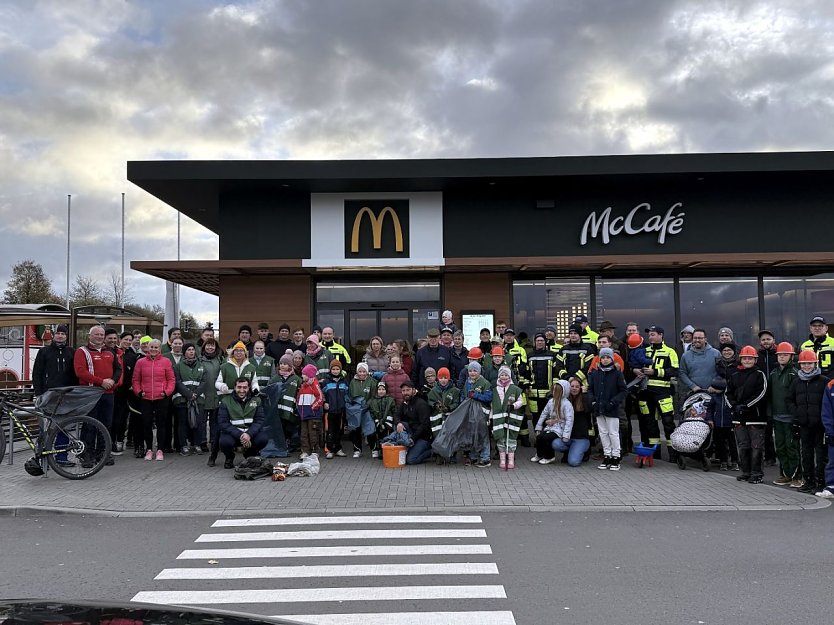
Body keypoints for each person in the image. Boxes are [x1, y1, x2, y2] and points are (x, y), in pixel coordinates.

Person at [73, 325, 121, 466]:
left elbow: (118, 370)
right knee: (89, 425)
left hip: (108, 393)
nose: (99, 337)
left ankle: (103, 453)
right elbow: (80, 372)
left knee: (106, 425)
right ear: (90, 336)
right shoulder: (82, 351)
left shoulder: (110, 352)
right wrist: (101, 382)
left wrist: (112, 381)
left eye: (101, 335)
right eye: (97, 334)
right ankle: (86, 454)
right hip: (90, 393)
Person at [787, 350, 829, 493]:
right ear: (800, 365)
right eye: (804, 364)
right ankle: (808, 481)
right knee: (806, 454)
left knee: (821, 455)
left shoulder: (824, 381)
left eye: (809, 363)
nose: (806, 366)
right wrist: (797, 413)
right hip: (803, 424)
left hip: (820, 425)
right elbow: (790, 400)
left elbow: (829, 402)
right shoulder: (796, 382)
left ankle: (821, 482)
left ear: (815, 363)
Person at [726, 345, 768, 484]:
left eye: (750, 358)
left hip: (755, 418)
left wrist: (747, 406)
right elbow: (728, 393)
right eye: (745, 358)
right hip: (738, 418)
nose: (747, 361)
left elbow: (761, 393)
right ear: (741, 359)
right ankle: (746, 472)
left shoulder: (759, 374)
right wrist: (734, 406)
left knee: (756, 447)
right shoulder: (734, 375)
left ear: (755, 360)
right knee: (743, 446)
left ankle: (756, 473)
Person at [637, 325, 679, 461]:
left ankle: (673, 455)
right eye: (649, 335)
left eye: (653, 334)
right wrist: (636, 370)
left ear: (661, 335)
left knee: (668, 423)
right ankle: (655, 455)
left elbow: (674, 371)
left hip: (663, 392)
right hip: (646, 393)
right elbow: (635, 365)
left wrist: (655, 372)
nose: (651, 337)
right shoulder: (644, 351)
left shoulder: (670, 352)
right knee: (649, 423)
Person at [132, 339, 175, 461]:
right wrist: (139, 392)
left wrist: (167, 392)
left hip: (161, 397)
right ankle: (149, 449)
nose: (154, 349)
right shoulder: (140, 362)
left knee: (162, 425)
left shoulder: (166, 362)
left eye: (156, 347)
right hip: (145, 398)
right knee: (147, 424)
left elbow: (171, 379)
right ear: (147, 348)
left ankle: (160, 450)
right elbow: (135, 380)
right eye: (151, 347)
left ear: (160, 349)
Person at [588, 347, 628, 470]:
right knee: (603, 433)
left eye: (607, 357)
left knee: (613, 433)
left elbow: (623, 391)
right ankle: (607, 456)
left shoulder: (617, 373)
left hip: (612, 409)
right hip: (599, 409)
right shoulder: (595, 373)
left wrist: (613, 402)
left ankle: (616, 457)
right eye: (603, 357)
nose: (605, 360)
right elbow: (590, 389)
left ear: (612, 358)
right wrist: (593, 401)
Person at [217, 377, 267, 469]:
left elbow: (259, 420)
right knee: (224, 442)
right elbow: (223, 423)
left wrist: (249, 434)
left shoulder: (257, 400)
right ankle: (229, 457)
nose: (242, 390)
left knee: (263, 439)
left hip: (250, 433)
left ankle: (249, 454)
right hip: (234, 434)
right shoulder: (226, 401)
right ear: (235, 387)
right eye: (239, 387)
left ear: (249, 388)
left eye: (245, 387)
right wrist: (240, 435)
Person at [769, 342, 799, 485]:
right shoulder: (773, 373)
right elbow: (769, 395)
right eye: (780, 355)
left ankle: (796, 476)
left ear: (791, 356)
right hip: (776, 416)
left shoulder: (795, 373)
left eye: (785, 355)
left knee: (791, 447)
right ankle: (785, 474)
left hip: (790, 417)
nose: (782, 357)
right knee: (780, 447)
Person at [172, 343, 207, 456]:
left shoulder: (202, 366)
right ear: (184, 353)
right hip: (182, 400)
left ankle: (197, 444)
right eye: (188, 350)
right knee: (182, 423)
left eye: (193, 350)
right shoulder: (178, 366)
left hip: (198, 400)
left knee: (198, 423)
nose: (191, 352)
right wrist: (188, 394)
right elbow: (177, 382)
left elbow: (204, 382)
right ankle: (183, 445)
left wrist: (195, 394)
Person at [525, 333, 556, 448]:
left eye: (542, 340)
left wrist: (554, 389)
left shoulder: (552, 355)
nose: (540, 342)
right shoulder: (530, 356)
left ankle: (547, 440)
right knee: (536, 417)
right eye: (538, 340)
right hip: (533, 393)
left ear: (545, 342)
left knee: (548, 417)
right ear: (535, 342)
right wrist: (527, 385)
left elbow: (555, 373)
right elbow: (527, 373)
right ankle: (538, 438)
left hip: (548, 394)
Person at [532, 380, 573, 464]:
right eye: (553, 390)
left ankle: (549, 456)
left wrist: (566, 435)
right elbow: (544, 413)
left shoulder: (566, 404)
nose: (554, 392)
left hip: (560, 428)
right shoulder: (551, 401)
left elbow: (569, 420)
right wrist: (539, 426)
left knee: (548, 438)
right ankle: (539, 454)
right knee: (540, 437)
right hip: (551, 427)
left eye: (556, 390)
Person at [492, 365, 524, 469]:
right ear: (499, 376)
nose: (504, 377)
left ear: (509, 376)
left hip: (511, 419)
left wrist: (514, 405)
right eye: (502, 375)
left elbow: (521, 401)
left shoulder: (515, 389)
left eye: (506, 375)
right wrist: (490, 417)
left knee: (510, 438)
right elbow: (492, 405)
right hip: (499, 420)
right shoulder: (495, 390)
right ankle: (502, 460)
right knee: (501, 439)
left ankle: (510, 460)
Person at [462, 361, 493, 467]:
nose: (472, 373)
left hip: (481, 413)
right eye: (470, 371)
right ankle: (474, 456)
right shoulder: (467, 382)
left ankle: (485, 457)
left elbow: (489, 397)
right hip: (469, 413)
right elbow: (463, 394)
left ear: (479, 371)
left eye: (475, 371)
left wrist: (476, 395)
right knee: (472, 434)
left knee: (482, 435)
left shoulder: (485, 383)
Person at [32, 323, 77, 397]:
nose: (60, 336)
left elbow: (76, 373)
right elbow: (37, 373)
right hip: (48, 392)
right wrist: (38, 393)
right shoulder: (44, 352)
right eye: (57, 333)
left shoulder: (72, 352)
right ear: (53, 335)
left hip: (69, 392)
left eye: (63, 334)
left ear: (66, 336)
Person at [394, 380, 433, 465]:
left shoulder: (421, 404)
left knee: (411, 460)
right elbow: (396, 415)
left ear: (414, 390)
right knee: (401, 425)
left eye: (408, 390)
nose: (405, 393)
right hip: (412, 432)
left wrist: (413, 439)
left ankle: (432, 452)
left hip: (423, 437)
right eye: (403, 391)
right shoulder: (405, 403)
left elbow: (424, 426)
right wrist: (398, 423)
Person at [705, 376, 739, 471]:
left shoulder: (730, 397)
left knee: (732, 444)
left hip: (729, 424)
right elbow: (710, 409)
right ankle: (723, 461)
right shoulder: (714, 397)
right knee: (720, 444)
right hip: (718, 424)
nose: (714, 390)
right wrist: (710, 419)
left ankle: (734, 461)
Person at [347, 362, 380, 458]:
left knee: (370, 430)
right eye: (360, 371)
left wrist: (367, 404)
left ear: (367, 371)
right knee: (355, 430)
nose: (361, 373)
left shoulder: (372, 382)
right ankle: (357, 450)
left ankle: (374, 449)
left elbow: (374, 396)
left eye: (364, 371)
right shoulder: (352, 382)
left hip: (367, 409)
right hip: (356, 410)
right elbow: (350, 395)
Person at [200, 338, 224, 466]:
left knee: (215, 422)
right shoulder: (200, 360)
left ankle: (215, 442)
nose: (210, 348)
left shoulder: (219, 360)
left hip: (216, 395)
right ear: (204, 347)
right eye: (208, 345)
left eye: (213, 346)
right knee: (202, 421)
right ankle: (203, 442)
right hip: (204, 395)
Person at [428, 367, 461, 455]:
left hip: (449, 417)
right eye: (441, 378)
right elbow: (429, 401)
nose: (443, 380)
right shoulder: (433, 391)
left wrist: (449, 408)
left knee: (450, 436)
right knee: (438, 436)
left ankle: (452, 454)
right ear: (437, 378)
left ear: (449, 378)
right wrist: (435, 405)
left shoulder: (455, 391)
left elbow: (456, 403)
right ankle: (439, 454)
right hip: (437, 420)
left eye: (445, 378)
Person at [679, 329, 720, 395]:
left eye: (700, 338)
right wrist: (693, 386)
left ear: (705, 339)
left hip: (712, 393)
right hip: (693, 393)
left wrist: (714, 386)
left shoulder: (716, 353)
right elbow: (682, 373)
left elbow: (721, 372)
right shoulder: (685, 355)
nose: (697, 340)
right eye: (695, 338)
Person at [296, 364, 324, 458]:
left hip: (312, 414)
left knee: (313, 433)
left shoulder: (314, 385)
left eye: (304, 374)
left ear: (309, 375)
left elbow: (320, 398)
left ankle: (314, 450)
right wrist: (299, 408)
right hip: (304, 414)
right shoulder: (303, 386)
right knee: (304, 433)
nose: (302, 376)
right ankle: (305, 450)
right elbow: (299, 397)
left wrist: (312, 408)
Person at [322, 359, 349, 459]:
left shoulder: (344, 382)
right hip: (330, 411)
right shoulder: (326, 382)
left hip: (340, 411)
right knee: (329, 431)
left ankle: (338, 448)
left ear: (340, 370)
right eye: (333, 369)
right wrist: (324, 403)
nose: (335, 371)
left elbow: (347, 395)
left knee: (339, 431)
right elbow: (322, 395)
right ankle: (329, 449)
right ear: (330, 370)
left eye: (337, 369)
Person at [818, 375, 834, 498]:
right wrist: (829, 431)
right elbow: (826, 411)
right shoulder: (830, 386)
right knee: (832, 460)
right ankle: (831, 487)